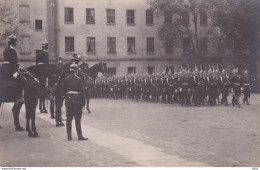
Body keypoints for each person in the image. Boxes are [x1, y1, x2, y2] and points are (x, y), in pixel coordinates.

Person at [3, 34, 24, 131]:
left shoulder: (11, 50)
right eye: (15, 42)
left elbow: (14, 62)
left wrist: (17, 68)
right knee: (19, 81)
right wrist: (14, 71)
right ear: (12, 42)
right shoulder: (9, 50)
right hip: (8, 70)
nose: (16, 43)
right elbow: (11, 62)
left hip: (11, 68)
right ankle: (18, 97)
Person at [62, 63, 88, 141]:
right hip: (77, 101)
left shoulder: (66, 79)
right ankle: (79, 136)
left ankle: (69, 136)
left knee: (68, 119)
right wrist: (83, 103)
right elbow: (82, 92)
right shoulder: (79, 79)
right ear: (76, 71)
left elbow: (63, 91)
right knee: (77, 119)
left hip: (69, 101)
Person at [36, 40, 49, 113]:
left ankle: (40, 106)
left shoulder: (38, 53)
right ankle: (43, 107)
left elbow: (36, 62)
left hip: (38, 70)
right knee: (46, 84)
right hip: (43, 70)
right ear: (46, 47)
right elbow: (47, 63)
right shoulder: (46, 53)